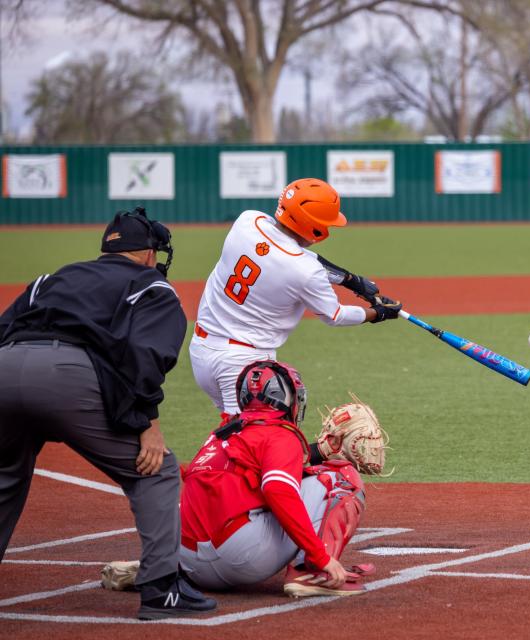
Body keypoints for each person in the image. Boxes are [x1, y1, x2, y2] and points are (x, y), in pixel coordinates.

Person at [0, 208, 217, 620]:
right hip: (68, 378)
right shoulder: (152, 286)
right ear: (150, 253)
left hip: (4, 368)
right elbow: (145, 359)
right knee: (156, 470)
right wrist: (146, 425)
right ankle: (162, 589)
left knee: (5, 472)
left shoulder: (52, 278)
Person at [100, 360, 386, 598]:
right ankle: (311, 572)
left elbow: (268, 468)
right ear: (289, 399)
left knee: (193, 505)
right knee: (341, 478)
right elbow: (277, 488)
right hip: (239, 558)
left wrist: (320, 451)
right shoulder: (280, 434)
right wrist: (320, 556)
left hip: (186, 556)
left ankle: (160, 568)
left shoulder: (222, 433)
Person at [190, 178, 402, 420]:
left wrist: (348, 279)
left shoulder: (247, 221)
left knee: (234, 433)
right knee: (252, 442)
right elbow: (336, 316)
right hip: (243, 362)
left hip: (202, 350)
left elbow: (290, 251)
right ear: (314, 227)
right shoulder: (306, 271)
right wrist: (378, 313)